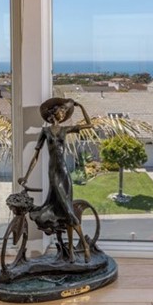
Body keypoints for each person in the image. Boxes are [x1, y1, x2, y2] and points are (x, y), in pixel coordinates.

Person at [19, 97, 93, 261]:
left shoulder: (65, 130)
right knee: (64, 211)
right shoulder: (45, 132)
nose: (64, 113)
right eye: (62, 110)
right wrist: (26, 176)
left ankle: (79, 249)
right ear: (54, 113)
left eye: (65, 111)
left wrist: (80, 106)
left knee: (68, 211)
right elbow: (35, 156)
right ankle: (75, 250)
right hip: (52, 174)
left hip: (63, 174)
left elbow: (89, 125)